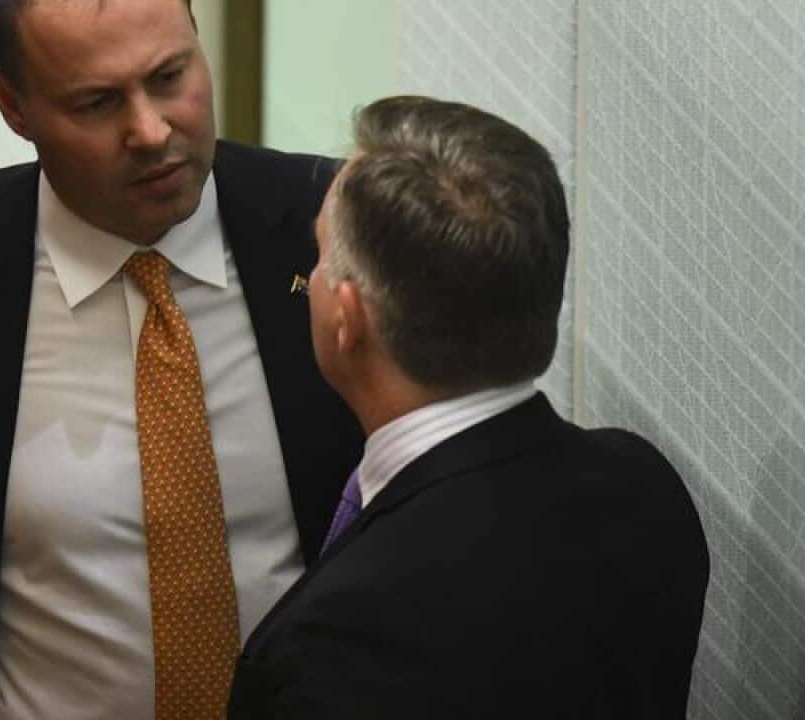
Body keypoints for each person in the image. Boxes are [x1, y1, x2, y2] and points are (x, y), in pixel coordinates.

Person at [0, 1, 362, 718]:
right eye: (98, 102)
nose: (150, 131)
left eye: (169, 76)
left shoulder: (341, 233)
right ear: (12, 104)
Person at [227, 96, 711, 719]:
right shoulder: (645, 491)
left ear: (346, 318)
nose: (310, 277)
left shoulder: (329, 647)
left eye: (320, 256)